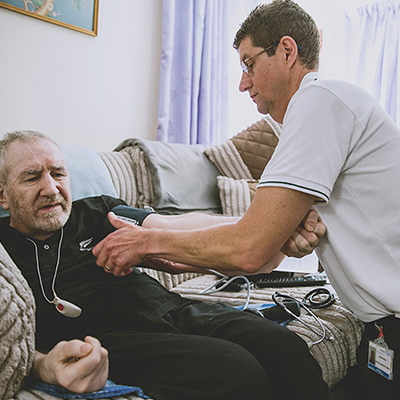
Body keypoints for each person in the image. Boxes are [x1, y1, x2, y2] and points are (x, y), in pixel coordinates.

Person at [93, 1, 400, 399]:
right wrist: (155, 253)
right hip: (379, 326)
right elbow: (269, 251)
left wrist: (145, 241)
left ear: (287, 51)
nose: (242, 82)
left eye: (249, 63)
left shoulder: (319, 102)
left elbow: (250, 251)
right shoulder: (320, 115)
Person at [0, 130, 332, 400]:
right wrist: (42, 365)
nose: (51, 188)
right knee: (235, 370)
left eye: (58, 173)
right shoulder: (4, 251)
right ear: (3, 196)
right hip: (111, 338)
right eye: (32, 178)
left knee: (284, 346)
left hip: (173, 308)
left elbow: (175, 227)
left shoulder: (97, 212)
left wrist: (268, 227)